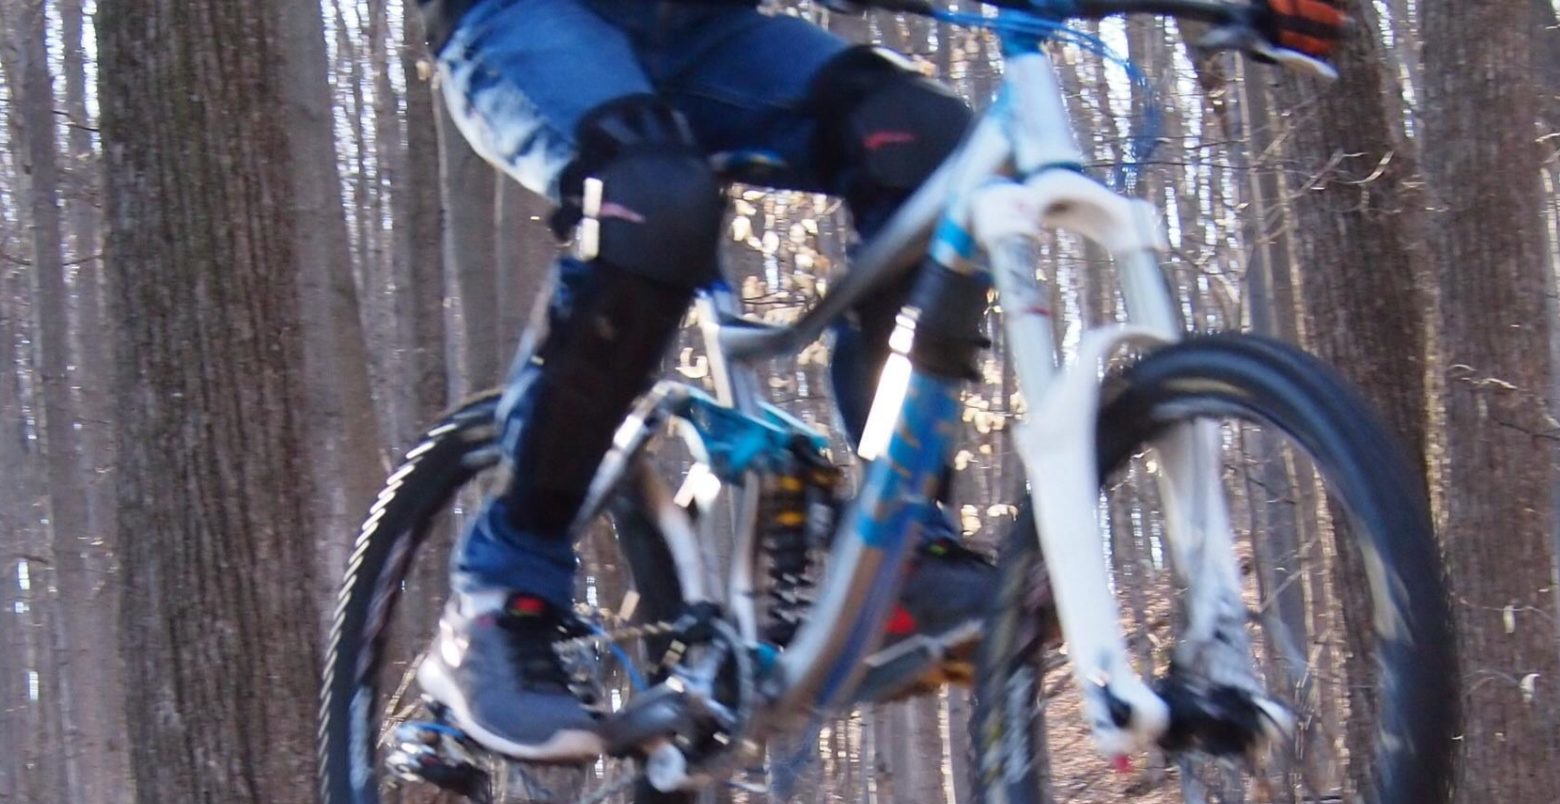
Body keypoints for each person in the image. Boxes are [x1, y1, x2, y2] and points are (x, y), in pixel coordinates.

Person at [415, 0, 1344, 762]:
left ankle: (907, 561)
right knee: (654, 199)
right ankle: (500, 594)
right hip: (526, 19)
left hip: (708, 30)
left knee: (933, 151)